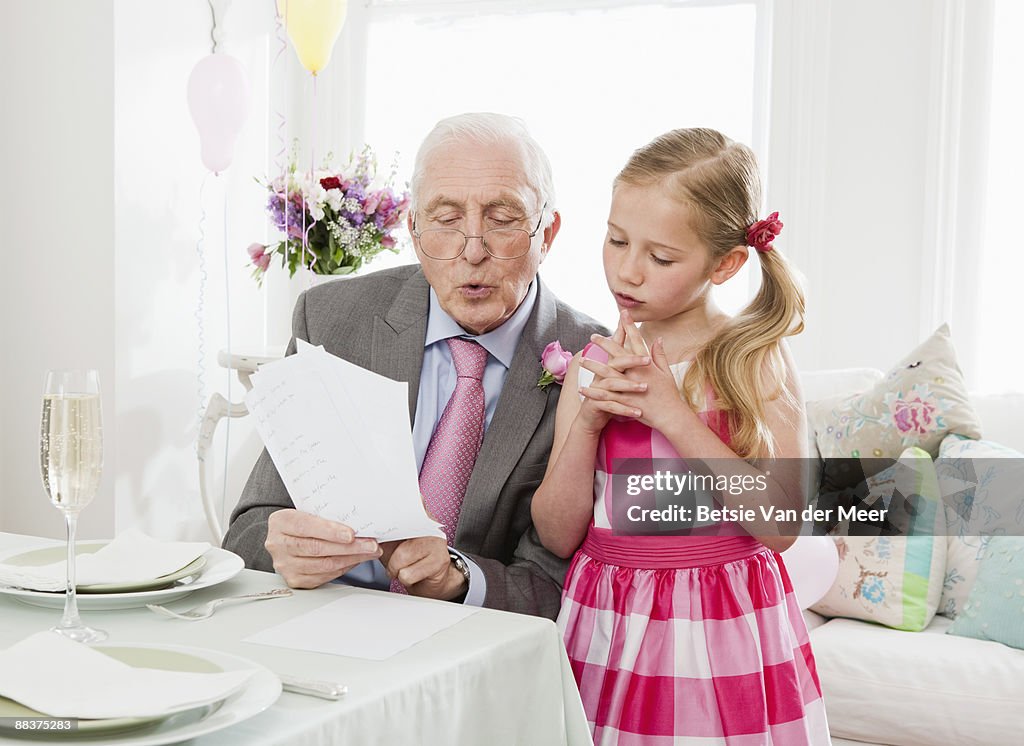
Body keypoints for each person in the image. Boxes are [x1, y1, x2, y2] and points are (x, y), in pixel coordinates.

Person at [223, 113, 605, 619]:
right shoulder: (333, 320)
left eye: (503, 218)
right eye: (446, 219)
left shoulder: (593, 362)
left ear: (547, 233)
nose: (472, 250)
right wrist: (282, 549)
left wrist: (459, 579)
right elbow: (250, 527)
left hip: (473, 652)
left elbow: (576, 588)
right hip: (323, 624)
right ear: (414, 230)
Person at [531, 128, 831, 743]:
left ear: (726, 264)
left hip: (724, 622)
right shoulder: (595, 362)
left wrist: (672, 413)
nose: (627, 269)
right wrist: (588, 418)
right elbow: (558, 534)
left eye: (661, 257)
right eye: (616, 241)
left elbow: (780, 527)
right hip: (610, 623)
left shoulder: (753, 358)